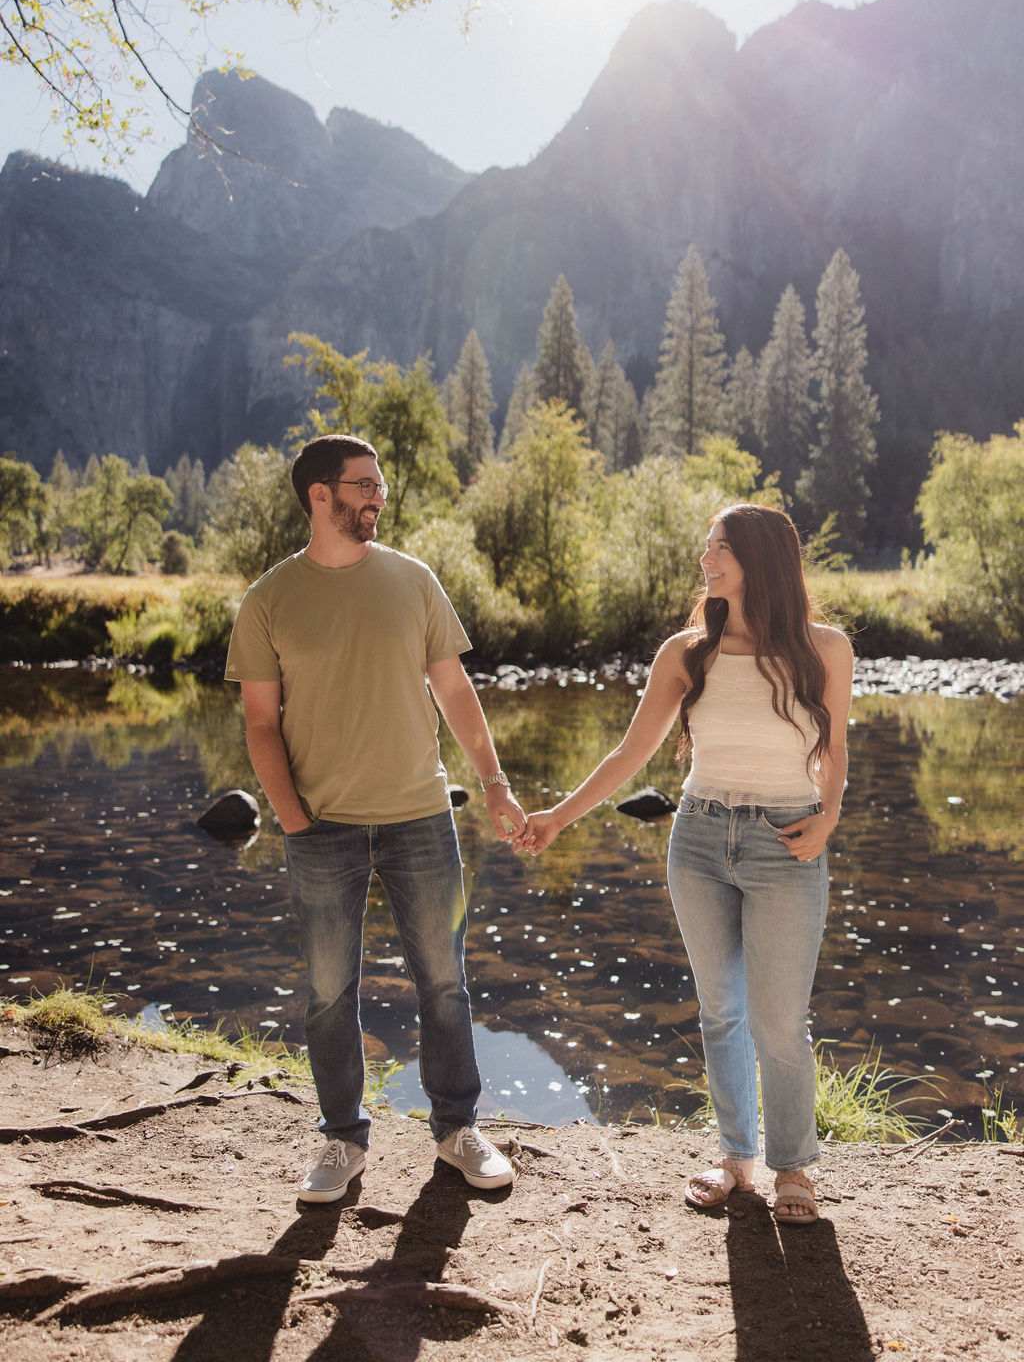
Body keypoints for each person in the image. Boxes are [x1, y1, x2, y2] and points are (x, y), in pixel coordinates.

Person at [518, 503, 853, 1225]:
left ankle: (793, 1164)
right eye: (706, 545)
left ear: (760, 557)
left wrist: (827, 816)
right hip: (699, 840)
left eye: (721, 547)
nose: (707, 558)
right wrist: (557, 816)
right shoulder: (686, 650)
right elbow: (629, 755)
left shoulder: (824, 647)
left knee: (778, 1019)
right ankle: (739, 1158)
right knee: (720, 1010)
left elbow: (837, 748)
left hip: (786, 841)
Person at [225, 433, 527, 1202]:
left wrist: (492, 781)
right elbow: (261, 723)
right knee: (330, 990)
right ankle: (341, 1138)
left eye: (380, 485)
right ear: (319, 495)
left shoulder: (414, 581)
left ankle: (457, 1127)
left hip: (422, 817)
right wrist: (292, 819)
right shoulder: (268, 600)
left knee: (444, 981)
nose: (378, 497)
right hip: (319, 826)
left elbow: (455, 692)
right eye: (363, 484)